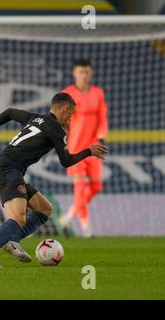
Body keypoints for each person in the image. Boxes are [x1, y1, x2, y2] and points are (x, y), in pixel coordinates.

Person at [0, 93, 108, 268]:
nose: (71, 119)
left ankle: (11, 240)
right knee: (18, 218)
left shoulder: (34, 118)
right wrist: (88, 151)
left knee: (45, 209)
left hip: (6, 169)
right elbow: (66, 161)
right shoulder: (57, 130)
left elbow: (10, 112)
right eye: (71, 114)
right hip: (9, 170)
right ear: (65, 108)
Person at [59, 59, 108, 237]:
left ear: (91, 73)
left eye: (87, 71)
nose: (84, 75)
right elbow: (60, 119)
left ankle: (68, 216)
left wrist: (102, 135)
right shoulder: (67, 94)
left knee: (96, 186)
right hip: (75, 148)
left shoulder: (98, 93)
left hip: (94, 147)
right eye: (81, 72)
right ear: (74, 73)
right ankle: (87, 229)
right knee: (80, 186)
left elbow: (102, 116)